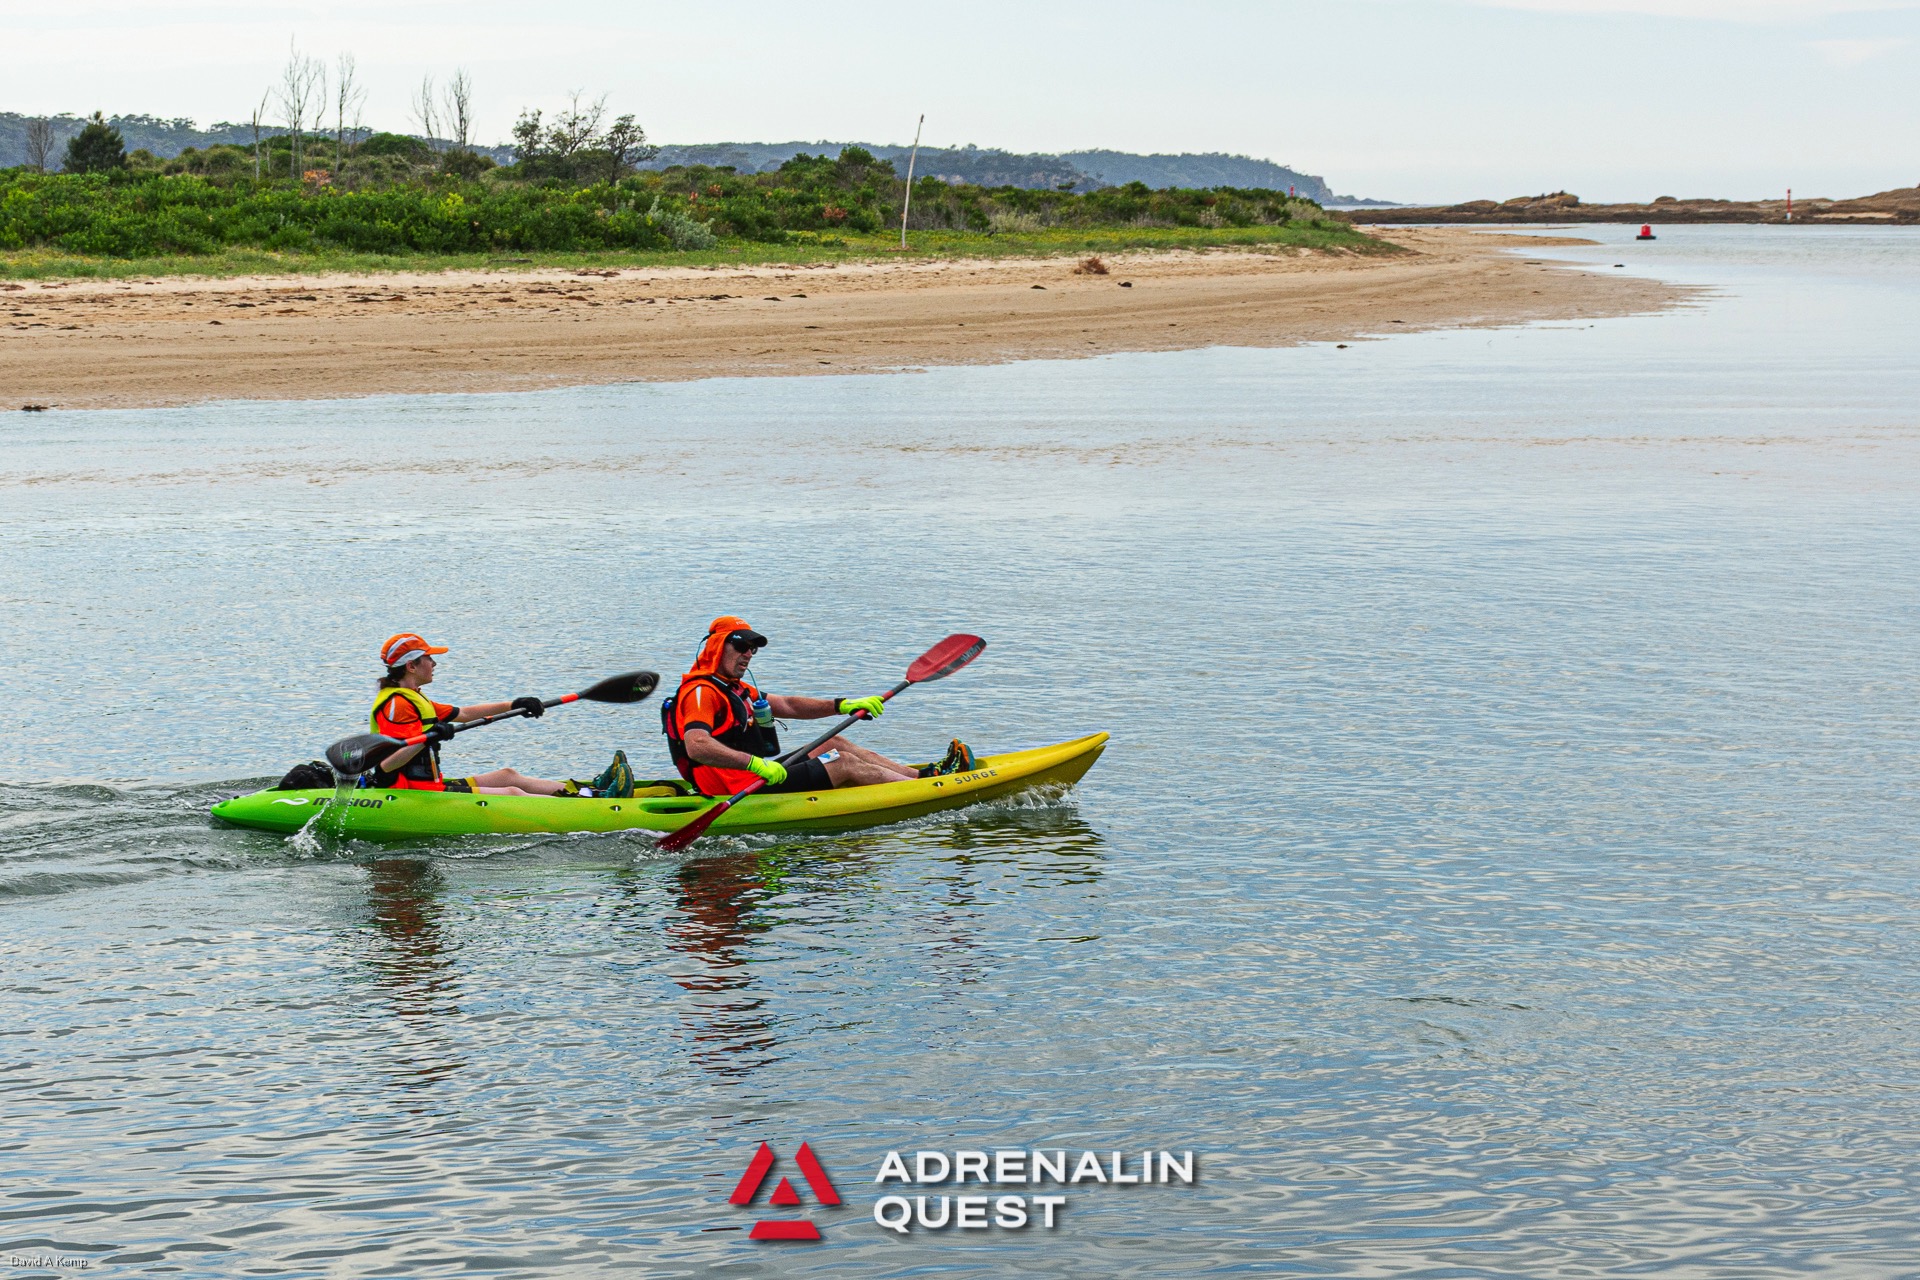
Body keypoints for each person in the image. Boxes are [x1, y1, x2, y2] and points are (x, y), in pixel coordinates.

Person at [663, 616, 975, 797]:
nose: (749, 654)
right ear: (718, 647)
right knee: (843, 764)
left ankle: (926, 776)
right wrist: (755, 764)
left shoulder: (733, 687)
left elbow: (788, 705)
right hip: (731, 786)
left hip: (746, 777)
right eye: (742, 646)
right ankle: (932, 793)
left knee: (833, 743)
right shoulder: (701, 692)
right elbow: (697, 745)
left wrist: (844, 705)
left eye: (753, 649)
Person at [369, 633, 633, 797]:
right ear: (412, 666)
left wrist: (515, 704)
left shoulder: (413, 696)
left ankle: (589, 789)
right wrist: (429, 737)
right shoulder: (398, 705)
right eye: (428, 658)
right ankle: (592, 801)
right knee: (511, 792)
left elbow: (465, 714)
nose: (434, 663)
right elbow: (388, 765)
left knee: (508, 775)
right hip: (414, 792)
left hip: (428, 784)